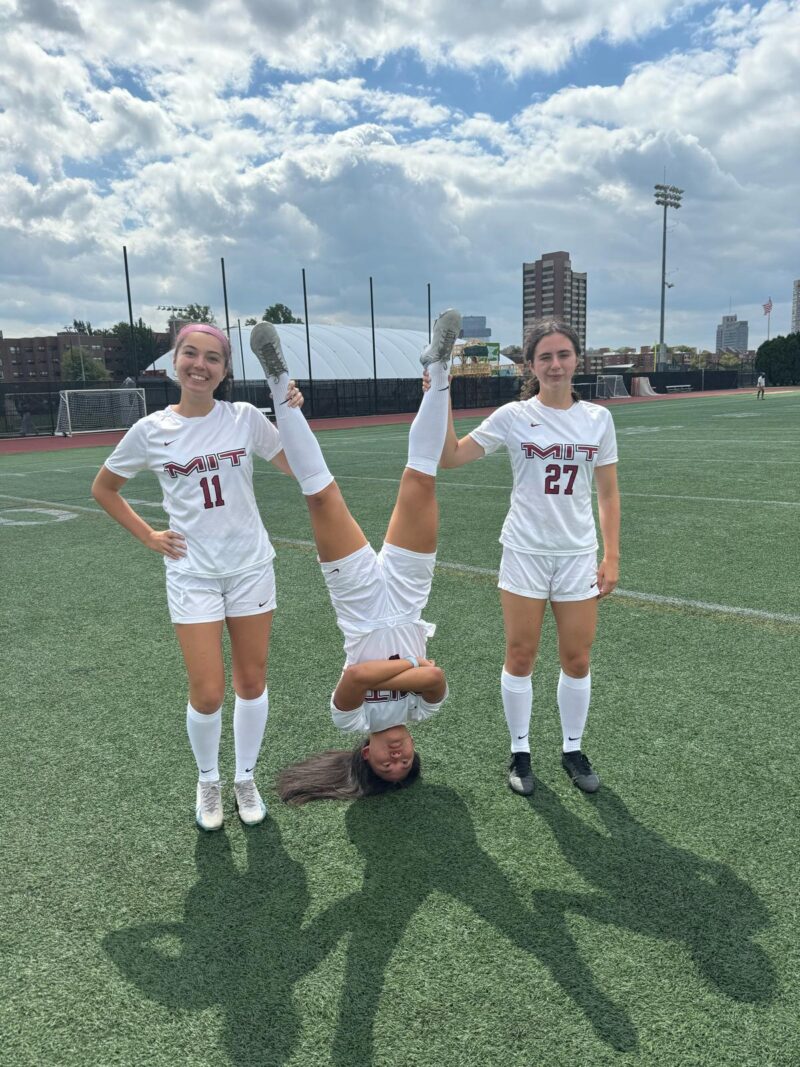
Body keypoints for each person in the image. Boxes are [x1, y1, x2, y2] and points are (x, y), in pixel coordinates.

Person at [91, 323, 303, 831]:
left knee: (251, 682)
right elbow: (104, 488)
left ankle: (244, 778)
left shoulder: (244, 418)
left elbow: (299, 466)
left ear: (225, 370)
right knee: (207, 691)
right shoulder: (151, 430)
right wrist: (148, 536)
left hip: (250, 568)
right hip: (193, 575)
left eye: (212, 358)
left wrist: (291, 412)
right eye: (190, 353)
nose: (199, 365)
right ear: (175, 360)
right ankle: (208, 780)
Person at [247, 311, 462, 804]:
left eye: (386, 765)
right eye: (405, 763)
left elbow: (361, 676)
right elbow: (433, 680)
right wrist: (415, 669)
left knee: (320, 495)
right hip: (409, 597)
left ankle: (278, 382)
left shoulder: (349, 719)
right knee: (421, 479)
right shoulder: (424, 711)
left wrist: (408, 666)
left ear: (365, 754)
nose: (396, 758)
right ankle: (439, 366)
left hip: (358, 603)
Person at [440, 320, 620, 796]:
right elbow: (450, 457)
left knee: (577, 658)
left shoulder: (598, 419)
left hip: (577, 554)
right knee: (521, 655)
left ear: (576, 359)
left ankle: (572, 749)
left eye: (563, 355)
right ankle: (520, 751)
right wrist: (440, 393)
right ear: (531, 365)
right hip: (524, 552)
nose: (555, 365)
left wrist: (612, 554)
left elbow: (607, 493)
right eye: (545, 357)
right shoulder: (513, 416)